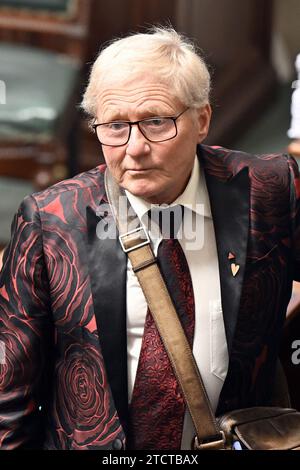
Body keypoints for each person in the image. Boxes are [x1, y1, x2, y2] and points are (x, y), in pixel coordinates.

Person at [0, 26, 300, 451]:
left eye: (157, 122)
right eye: (116, 126)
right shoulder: (51, 222)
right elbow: (9, 399)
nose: (135, 148)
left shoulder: (268, 191)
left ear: (202, 120)